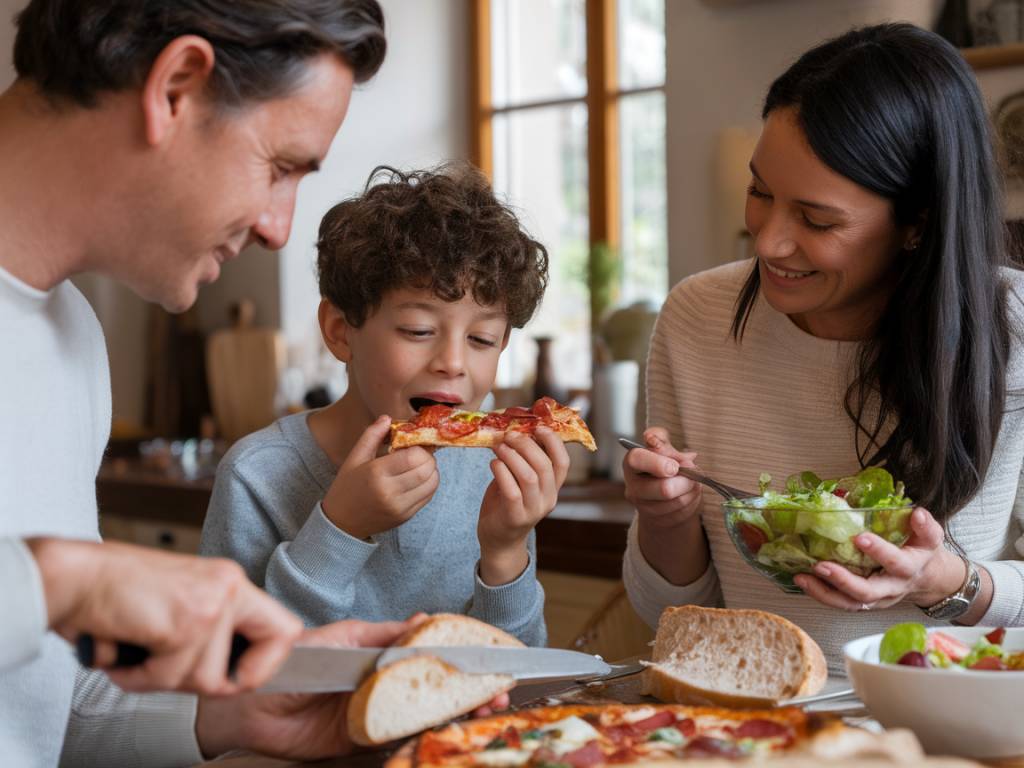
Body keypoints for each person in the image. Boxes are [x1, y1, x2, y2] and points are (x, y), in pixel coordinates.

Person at [0, 1, 458, 765]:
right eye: (281, 167)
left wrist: (230, 716)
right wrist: (61, 581)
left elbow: (47, 706)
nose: (281, 227)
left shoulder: (72, 335)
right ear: (176, 86)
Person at [621, 23, 1024, 674]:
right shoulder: (697, 319)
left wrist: (947, 582)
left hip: (958, 727)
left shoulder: (1018, 328)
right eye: (760, 192)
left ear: (917, 223)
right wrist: (664, 518)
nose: (770, 242)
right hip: (756, 723)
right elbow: (665, 612)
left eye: (816, 219)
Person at [200, 163, 564, 647]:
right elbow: (236, 670)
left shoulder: (492, 477)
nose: (453, 362)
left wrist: (505, 550)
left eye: (482, 338)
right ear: (339, 332)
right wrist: (341, 528)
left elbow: (517, 678)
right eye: (418, 330)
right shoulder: (256, 475)